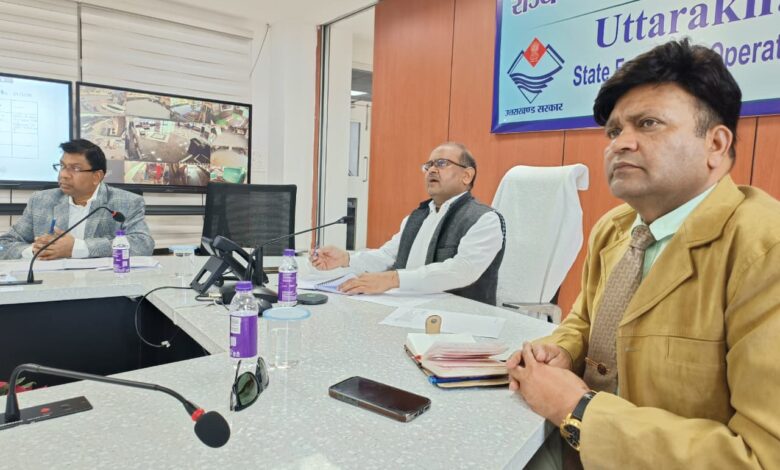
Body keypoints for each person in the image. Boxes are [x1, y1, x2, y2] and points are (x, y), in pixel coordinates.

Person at [508, 39, 780, 469]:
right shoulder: (614, 229)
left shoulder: (765, 248)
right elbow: (583, 322)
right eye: (614, 131)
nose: (620, 144)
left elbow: (763, 457)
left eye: (648, 124)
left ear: (715, 144)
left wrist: (579, 410)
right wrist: (561, 350)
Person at [310, 142, 506, 305]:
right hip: (410, 310)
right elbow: (388, 256)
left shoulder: (484, 219)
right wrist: (346, 259)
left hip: (462, 319)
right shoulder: (417, 217)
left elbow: (462, 271)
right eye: (428, 165)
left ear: (467, 175)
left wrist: (393, 279)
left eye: (442, 163)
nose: (432, 170)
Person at [0, 139, 154, 260]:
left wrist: (77, 248)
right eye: (62, 166)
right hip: (50, 283)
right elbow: (4, 244)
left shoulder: (127, 202)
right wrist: (35, 251)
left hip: (101, 284)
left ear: (97, 177)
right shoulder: (41, 201)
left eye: (75, 168)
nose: (63, 175)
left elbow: (142, 245)